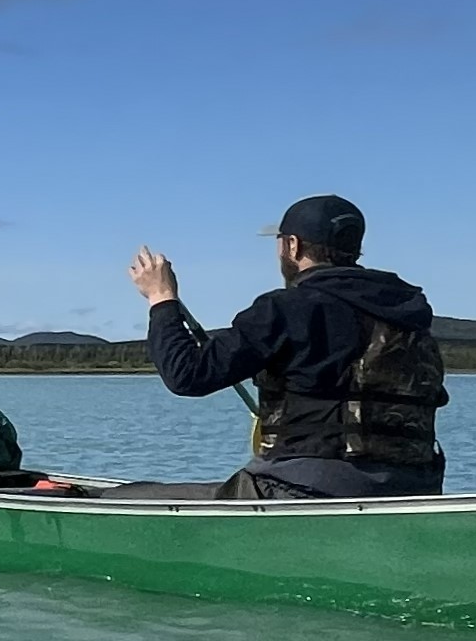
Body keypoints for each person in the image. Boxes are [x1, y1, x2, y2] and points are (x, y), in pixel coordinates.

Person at [126, 195, 447, 497]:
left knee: (126, 496)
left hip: (304, 489)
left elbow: (187, 375)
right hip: (415, 488)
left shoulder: (285, 309)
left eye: (280, 242)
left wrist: (161, 298)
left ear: (293, 246)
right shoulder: (410, 317)